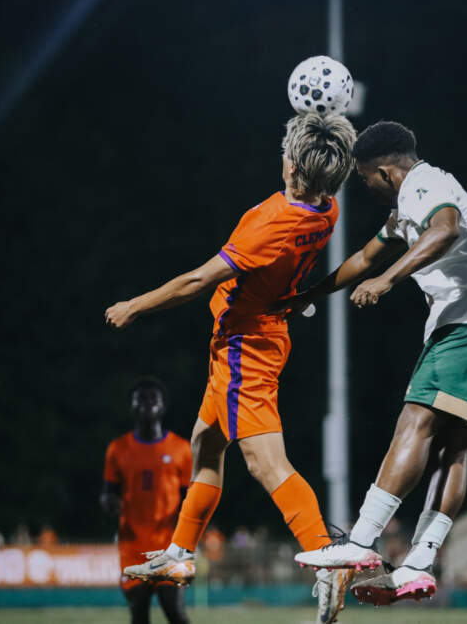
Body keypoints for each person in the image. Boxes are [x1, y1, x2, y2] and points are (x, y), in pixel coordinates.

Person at [106, 111, 358, 624]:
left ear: (293, 167)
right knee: (206, 445)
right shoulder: (326, 208)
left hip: (246, 346)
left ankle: (326, 557)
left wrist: (134, 305)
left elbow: (197, 280)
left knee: (266, 464)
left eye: (286, 152)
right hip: (248, 338)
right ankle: (180, 554)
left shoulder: (272, 225)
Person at [283, 121, 467, 605]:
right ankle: (420, 560)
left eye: (364, 179)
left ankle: (360, 541)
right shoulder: (407, 209)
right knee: (453, 449)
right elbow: (364, 258)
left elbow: (445, 229)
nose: (365, 187)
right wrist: (310, 295)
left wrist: (388, 280)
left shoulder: (424, 184)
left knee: (414, 423)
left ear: (386, 172)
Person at [102, 377, 192, 624]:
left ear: (163, 405)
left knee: (173, 608)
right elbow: (108, 491)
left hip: (171, 543)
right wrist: (109, 503)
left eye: (153, 398)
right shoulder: (118, 449)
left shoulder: (181, 448)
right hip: (132, 544)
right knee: (138, 609)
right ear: (131, 406)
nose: (147, 403)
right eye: (141, 399)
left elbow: (190, 497)